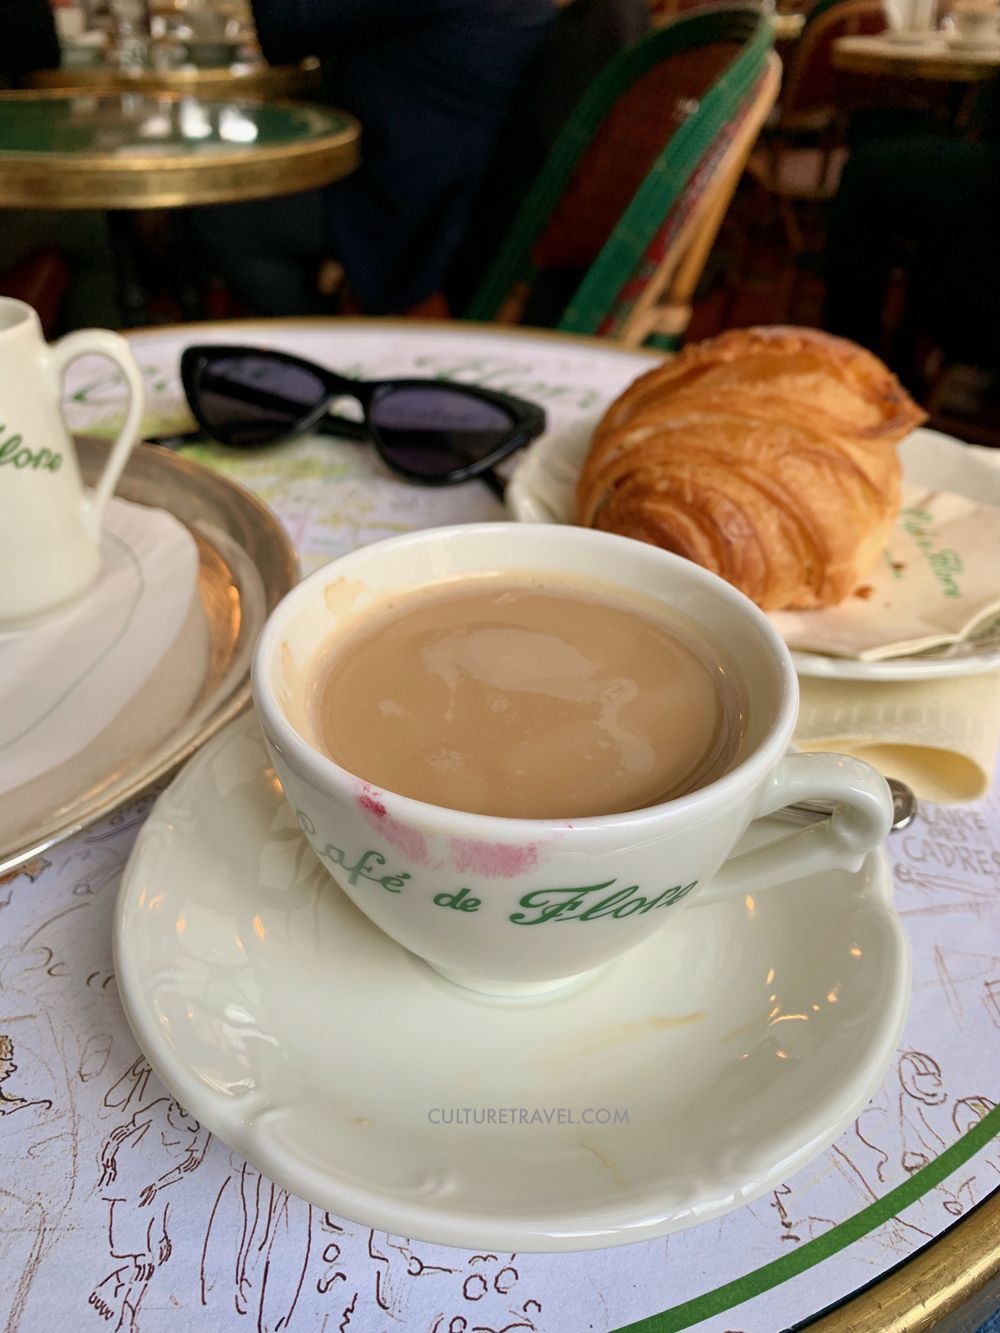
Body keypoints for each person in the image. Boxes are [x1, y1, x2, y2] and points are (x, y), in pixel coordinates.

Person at [192, 0, 557, 317]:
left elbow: (286, 26)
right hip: (454, 189)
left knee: (221, 211)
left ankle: (325, 352)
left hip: (413, 213)